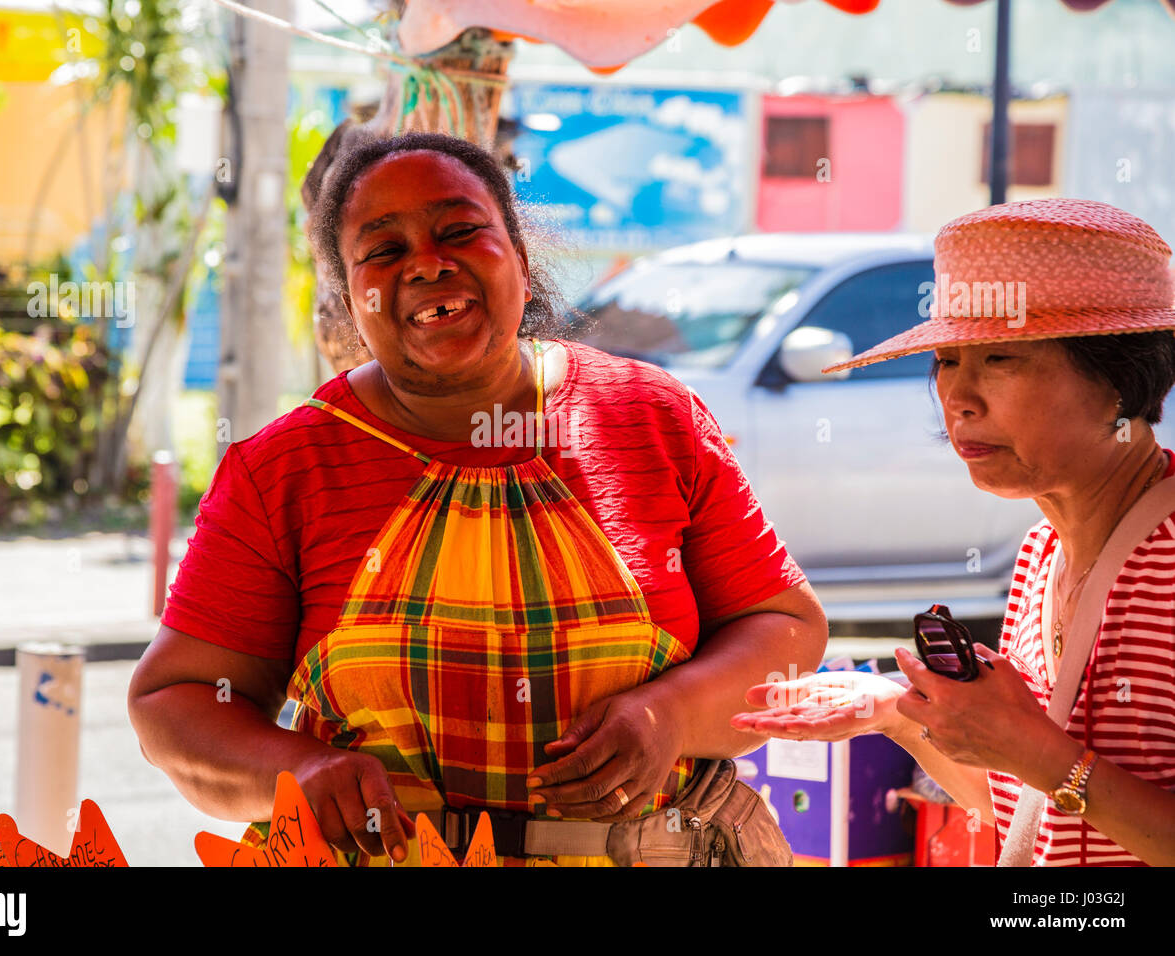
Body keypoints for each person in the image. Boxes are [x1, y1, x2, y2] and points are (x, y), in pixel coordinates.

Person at [127, 131, 826, 866]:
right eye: (384, 250)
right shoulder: (285, 470)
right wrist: (297, 772)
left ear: (520, 264)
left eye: (459, 230)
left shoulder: (653, 419)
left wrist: (673, 717)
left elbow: (784, 630)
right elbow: (174, 704)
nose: (427, 263)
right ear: (349, 301)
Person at [732, 198, 1175, 866]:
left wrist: (1041, 752)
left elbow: (1053, 771)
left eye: (1000, 359)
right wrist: (893, 711)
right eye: (945, 359)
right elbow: (1031, 808)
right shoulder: (1041, 554)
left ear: (1119, 382)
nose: (958, 397)